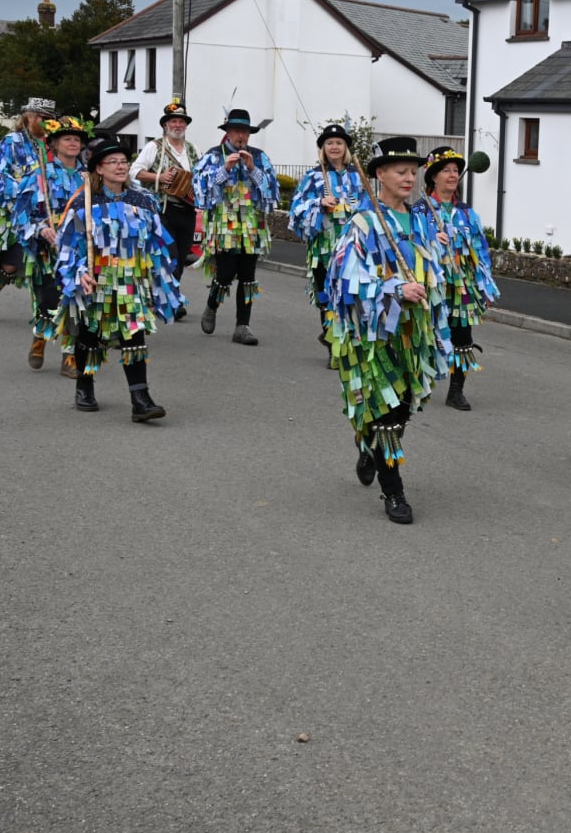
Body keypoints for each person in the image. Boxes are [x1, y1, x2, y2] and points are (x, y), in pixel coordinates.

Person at [323, 136, 450, 524]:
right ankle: (393, 490)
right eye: (401, 171)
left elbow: (432, 272)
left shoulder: (419, 221)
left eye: (413, 172)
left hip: (412, 335)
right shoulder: (363, 222)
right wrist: (393, 289)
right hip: (371, 335)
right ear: (379, 175)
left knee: (405, 405)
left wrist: (434, 275)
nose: (409, 178)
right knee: (386, 409)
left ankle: (369, 446)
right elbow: (344, 283)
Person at [54, 135, 182, 422]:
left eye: (124, 161)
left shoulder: (143, 201)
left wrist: (160, 278)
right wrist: (78, 273)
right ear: (99, 168)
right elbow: (65, 248)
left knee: (134, 335)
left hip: (130, 281)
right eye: (112, 162)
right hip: (95, 280)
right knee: (89, 336)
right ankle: (84, 386)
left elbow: (157, 244)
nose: (120, 166)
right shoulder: (83, 202)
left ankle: (140, 399)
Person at [415, 145, 498, 410]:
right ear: (433, 177)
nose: (452, 175)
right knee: (425, 335)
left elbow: (480, 252)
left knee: (462, 339)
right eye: (445, 170)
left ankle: (456, 391)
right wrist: (429, 239)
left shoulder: (466, 213)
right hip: (432, 286)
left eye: (455, 171)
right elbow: (408, 247)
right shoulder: (420, 210)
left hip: (462, 287)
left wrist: (484, 287)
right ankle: (417, 385)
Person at [10, 117, 89, 377]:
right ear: (54, 144)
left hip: (78, 250)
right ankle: (40, 337)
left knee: (75, 302)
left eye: (76, 139)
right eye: (67, 138)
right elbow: (20, 214)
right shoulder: (40, 175)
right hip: (47, 250)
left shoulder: (88, 177)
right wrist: (40, 228)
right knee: (49, 301)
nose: (73, 143)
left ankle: (69, 357)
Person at [191, 108, 278, 345]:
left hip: (252, 225)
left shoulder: (259, 157)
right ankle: (212, 305)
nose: (241, 135)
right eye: (236, 131)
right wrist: (224, 170)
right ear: (228, 132)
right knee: (226, 274)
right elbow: (201, 190)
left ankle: (242, 326)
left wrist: (252, 169)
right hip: (224, 226)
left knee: (248, 276)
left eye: (245, 132)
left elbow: (272, 192)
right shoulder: (213, 155)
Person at [288, 122, 371, 352]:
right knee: (326, 293)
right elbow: (295, 208)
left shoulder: (357, 176)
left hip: (352, 246)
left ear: (346, 148)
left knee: (349, 292)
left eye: (339, 143)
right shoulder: (314, 176)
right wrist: (319, 203)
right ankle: (330, 340)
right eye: (330, 143)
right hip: (324, 248)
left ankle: (347, 338)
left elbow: (368, 206)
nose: (334, 147)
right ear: (323, 148)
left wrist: (353, 209)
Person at [0, 98, 55, 323]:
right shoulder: (12, 142)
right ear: (29, 117)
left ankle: (45, 315)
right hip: (17, 215)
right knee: (9, 266)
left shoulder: (56, 144)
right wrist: (23, 196)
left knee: (45, 266)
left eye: (51, 119)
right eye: (43, 118)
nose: (47, 123)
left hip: (49, 217)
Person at [133, 100, 200, 321]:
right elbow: (135, 172)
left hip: (187, 210)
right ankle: (173, 299)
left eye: (181, 121)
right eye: (174, 121)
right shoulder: (154, 147)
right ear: (165, 125)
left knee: (181, 257)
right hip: (162, 209)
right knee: (169, 254)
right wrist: (159, 177)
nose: (178, 125)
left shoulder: (192, 149)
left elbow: (199, 177)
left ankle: (166, 295)